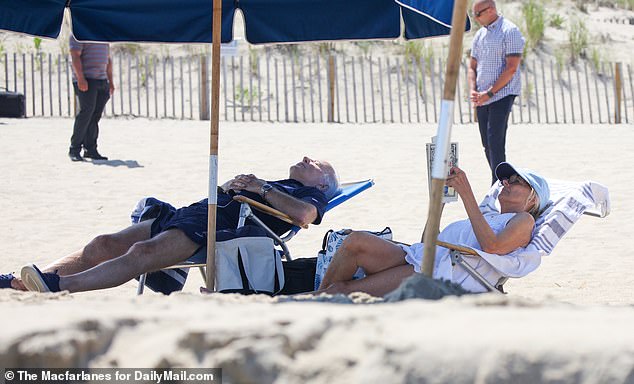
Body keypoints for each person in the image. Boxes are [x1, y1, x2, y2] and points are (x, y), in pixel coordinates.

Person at [9, 156, 338, 293]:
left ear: (323, 184)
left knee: (142, 253)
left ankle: (59, 288)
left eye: (315, 163)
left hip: (218, 228)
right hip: (194, 213)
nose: (306, 158)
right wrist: (232, 185)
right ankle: (33, 280)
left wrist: (260, 187)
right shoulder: (283, 182)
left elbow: (305, 216)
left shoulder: (310, 194)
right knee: (102, 244)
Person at [316, 162, 549, 297]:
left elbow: (493, 246)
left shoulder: (523, 220)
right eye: (506, 180)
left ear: (532, 199)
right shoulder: (488, 218)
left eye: (516, 181)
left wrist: (466, 193)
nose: (506, 182)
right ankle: (314, 303)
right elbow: (428, 241)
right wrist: (437, 202)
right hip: (419, 256)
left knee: (343, 289)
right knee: (356, 241)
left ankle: (307, 304)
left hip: (437, 274)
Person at [468, 0, 525, 184]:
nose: (475, 19)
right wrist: (473, 90)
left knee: (495, 141)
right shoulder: (479, 35)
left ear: (491, 10)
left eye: (478, 14)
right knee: (487, 144)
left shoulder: (510, 31)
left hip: (502, 94)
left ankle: (499, 184)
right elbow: (472, 66)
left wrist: (490, 93)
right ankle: (501, 180)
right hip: (482, 97)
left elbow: (511, 68)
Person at [68, 35, 114, 162]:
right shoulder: (78, 34)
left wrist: (110, 81)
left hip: (101, 79)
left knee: (95, 115)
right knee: (86, 113)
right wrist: (80, 78)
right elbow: (75, 56)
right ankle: (74, 149)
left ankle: (90, 149)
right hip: (87, 79)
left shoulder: (102, 35)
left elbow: (108, 60)